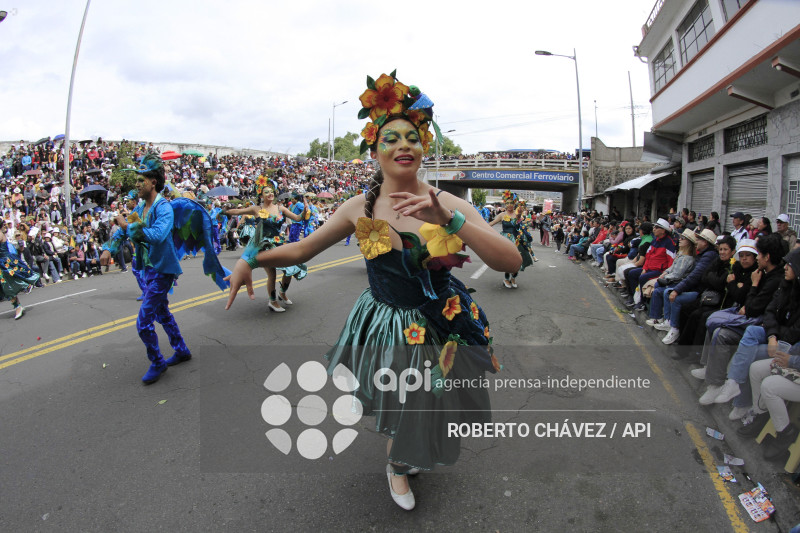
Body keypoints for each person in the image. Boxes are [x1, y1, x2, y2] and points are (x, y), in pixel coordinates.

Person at [224, 71, 521, 510]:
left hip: (443, 320)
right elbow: (303, 248)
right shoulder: (356, 208)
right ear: (374, 149)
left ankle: (409, 451)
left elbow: (510, 261)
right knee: (405, 402)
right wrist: (250, 260)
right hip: (387, 323)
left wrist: (450, 221)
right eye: (391, 138)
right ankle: (398, 466)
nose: (404, 145)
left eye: (413, 137)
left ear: (424, 147)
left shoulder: (451, 203)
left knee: (432, 400)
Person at [100, 154, 207, 385]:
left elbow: (157, 236)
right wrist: (109, 248)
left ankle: (157, 362)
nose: (136, 185)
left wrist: (128, 227)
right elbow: (123, 231)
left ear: (153, 183)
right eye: (136, 180)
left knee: (143, 321)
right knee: (162, 313)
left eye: (141, 181)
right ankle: (181, 350)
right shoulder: (140, 206)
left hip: (162, 270)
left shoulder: (164, 208)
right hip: (148, 269)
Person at [223, 180, 308, 312]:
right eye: (266, 192)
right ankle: (272, 301)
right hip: (264, 246)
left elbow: (297, 218)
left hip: (279, 244)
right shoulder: (256, 209)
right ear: (261, 195)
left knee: (291, 269)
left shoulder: (281, 208)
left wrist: (304, 213)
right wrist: (225, 211)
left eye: (271, 191)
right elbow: (238, 212)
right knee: (272, 274)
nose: (270, 194)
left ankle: (282, 293)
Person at [489, 194, 532, 288]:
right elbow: (492, 223)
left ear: (514, 204)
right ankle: (506, 279)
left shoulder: (517, 215)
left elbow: (522, 224)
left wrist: (521, 216)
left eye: (511, 203)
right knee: (508, 260)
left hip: (516, 239)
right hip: (505, 240)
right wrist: (480, 226)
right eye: (507, 203)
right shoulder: (502, 215)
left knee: (518, 260)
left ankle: (513, 277)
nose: (509, 205)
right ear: (505, 204)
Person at [0, 219, 40, 319]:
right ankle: (18, 306)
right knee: (6, 286)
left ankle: (27, 285)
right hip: (1, 264)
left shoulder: (0, 234)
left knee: (13, 280)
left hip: (6, 262)